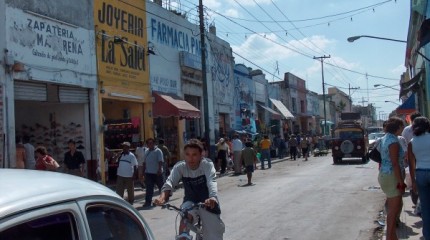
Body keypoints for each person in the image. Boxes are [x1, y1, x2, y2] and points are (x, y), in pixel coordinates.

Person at [153, 139, 225, 240]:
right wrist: (162, 197)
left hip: (208, 203)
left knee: (214, 235)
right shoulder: (180, 167)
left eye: (194, 155)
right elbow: (169, 182)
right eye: (187, 154)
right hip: (190, 202)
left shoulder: (207, 165)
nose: (191, 158)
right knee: (185, 219)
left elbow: (211, 181)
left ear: (201, 155)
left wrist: (212, 197)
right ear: (184, 155)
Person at [378, 117, 405, 240]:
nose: (403, 129)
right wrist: (401, 181)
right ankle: (390, 237)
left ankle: (393, 237)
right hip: (391, 175)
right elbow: (394, 163)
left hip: (384, 173)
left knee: (391, 209)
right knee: (393, 212)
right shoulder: (393, 141)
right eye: (402, 126)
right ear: (397, 128)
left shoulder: (385, 138)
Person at [407, 116, 430, 240]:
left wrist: (413, 181)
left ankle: (427, 236)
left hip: (420, 174)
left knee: (426, 208)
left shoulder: (412, 142)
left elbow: (411, 164)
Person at [142, 138, 164, 207]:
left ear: (154, 143)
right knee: (149, 188)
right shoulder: (146, 151)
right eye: (148, 143)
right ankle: (148, 202)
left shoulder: (158, 151)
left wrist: (159, 169)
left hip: (157, 173)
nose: (150, 144)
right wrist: (143, 172)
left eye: (151, 143)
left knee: (161, 187)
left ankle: (163, 199)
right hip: (148, 173)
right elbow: (144, 163)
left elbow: (160, 161)